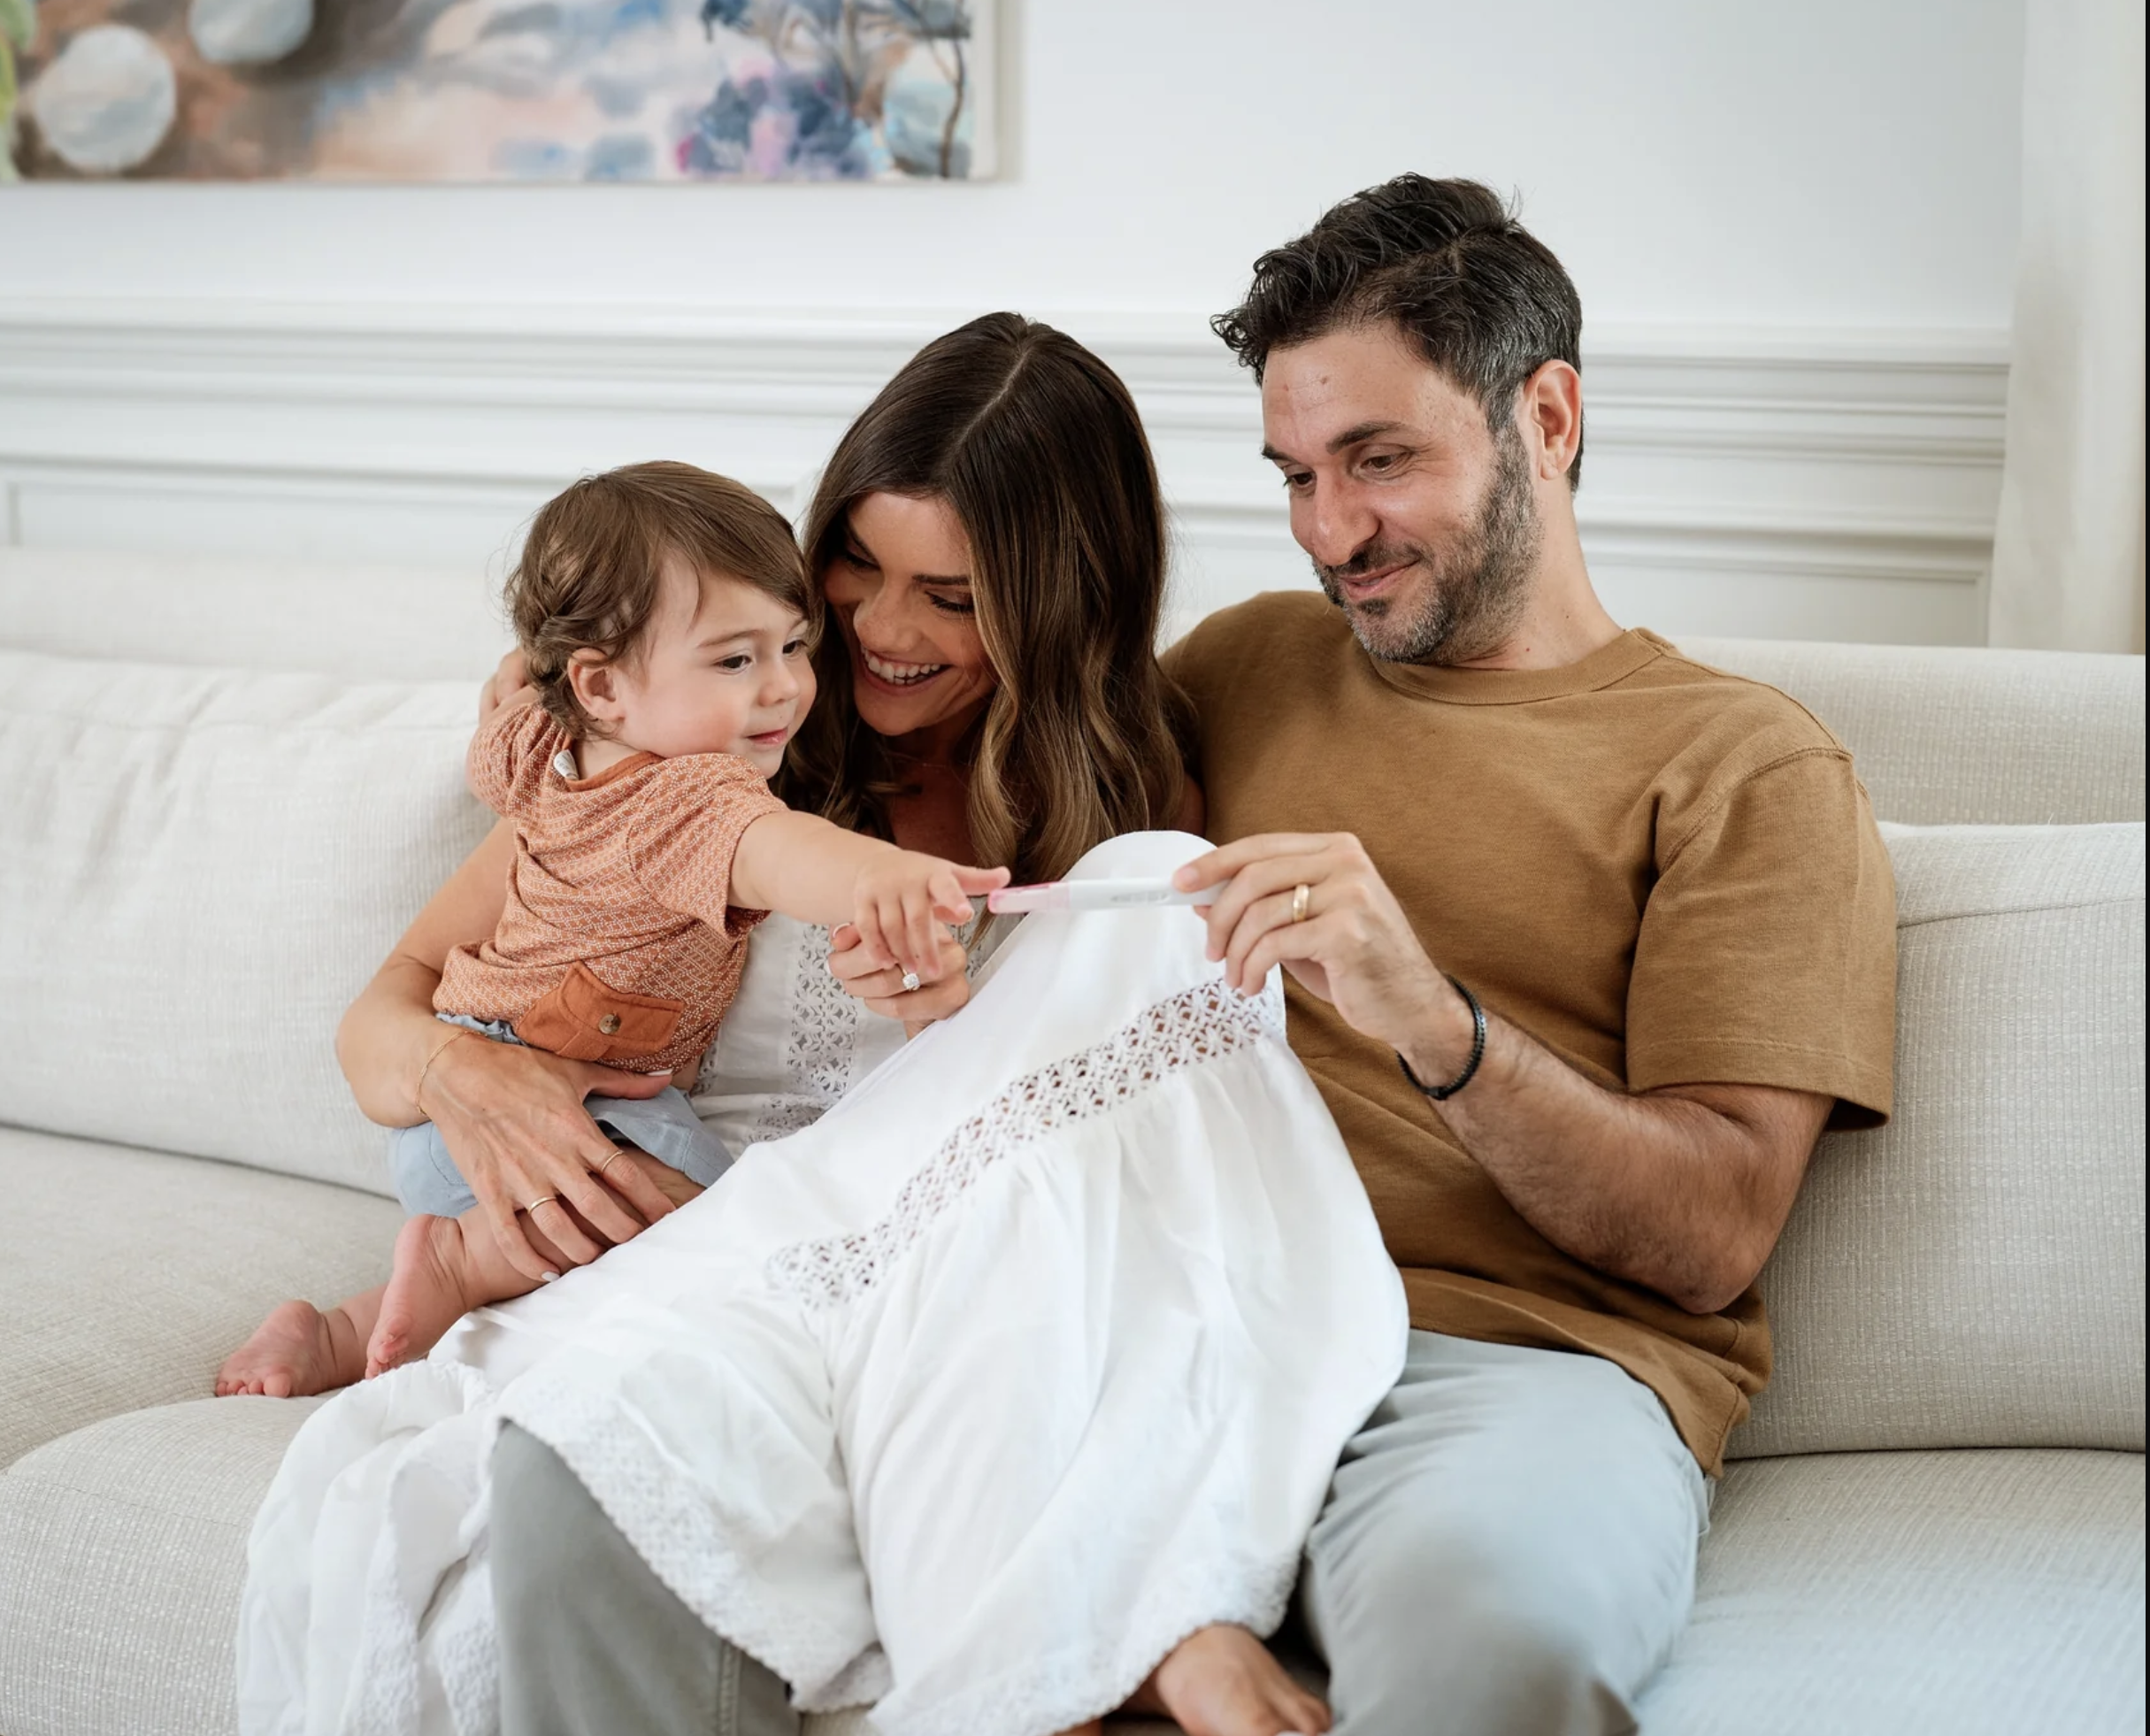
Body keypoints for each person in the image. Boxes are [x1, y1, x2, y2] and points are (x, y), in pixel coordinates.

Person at [472, 178, 1900, 1736]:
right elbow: (979, 796)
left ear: (1546, 418)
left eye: (1381, 461)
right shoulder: (1249, 669)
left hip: (1499, 1354)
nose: (1330, 532)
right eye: (1296, 473)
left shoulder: (1746, 767)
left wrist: (1434, 1019)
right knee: (597, 1484)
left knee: (1486, 1645)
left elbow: (1709, 1236)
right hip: (1140, 1303)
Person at [237, 316, 1378, 1736]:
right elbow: (383, 1020)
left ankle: (1125, 1610)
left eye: (953, 598)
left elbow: (1130, 1127)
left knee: (1146, 898)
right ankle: (1083, 1628)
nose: (882, 633)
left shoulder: (1133, 773)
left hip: (967, 1262)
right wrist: (471, 1075)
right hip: (689, 1236)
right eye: (857, 567)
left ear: (1054, 604)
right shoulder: (697, 749)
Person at [296, 461, 1010, 1384]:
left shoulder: (550, 749)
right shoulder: (690, 792)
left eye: (793, 646)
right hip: (557, 1109)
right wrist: (890, 881)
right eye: (735, 660)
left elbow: (510, 715)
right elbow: (784, 851)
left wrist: (537, 680)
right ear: (601, 688)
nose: (786, 688)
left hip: (468, 1123)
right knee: (724, 1239)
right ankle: (454, 1264)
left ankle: (341, 1337)